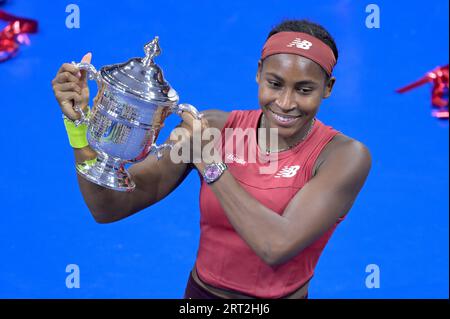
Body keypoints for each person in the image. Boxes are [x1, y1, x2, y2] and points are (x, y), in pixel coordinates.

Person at [51, 19, 372, 299]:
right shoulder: (214, 127)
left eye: (304, 90)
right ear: (259, 73)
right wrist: (79, 125)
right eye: (275, 84)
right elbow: (107, 207)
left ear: (327, 88)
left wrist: (210, 163)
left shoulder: (344, 156)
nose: (286, 103)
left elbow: (275, 246)